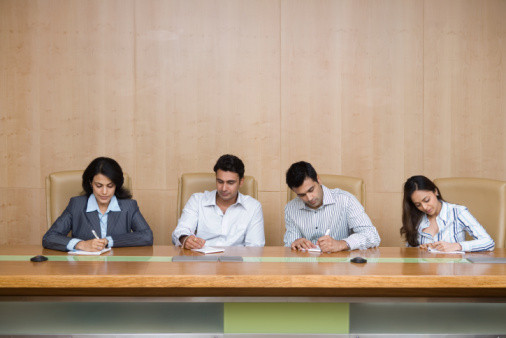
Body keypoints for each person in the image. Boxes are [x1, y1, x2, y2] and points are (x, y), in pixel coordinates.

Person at [43, 157, 153, 252]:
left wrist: (108, 241)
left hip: (118, 267)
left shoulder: (128, 206)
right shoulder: (77, 204)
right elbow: (49, 238)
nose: (104, 192)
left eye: (110, 186)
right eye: (99, 186)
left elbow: (147, 236)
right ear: (91, 183)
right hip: (84, 268)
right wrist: (81, 244)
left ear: (116, 185)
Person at [284, 161, 380, 252]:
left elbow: (372, 236)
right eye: (302, 195)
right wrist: (295, 243)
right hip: (306, 266)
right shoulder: (291, 208)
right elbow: (289, 244)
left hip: (340, 265)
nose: (309, 198)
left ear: (318, 180)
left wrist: (341, 244)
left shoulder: (346, 200)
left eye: (311, 190)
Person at [172, 154, 265, 248]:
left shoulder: (253, 207)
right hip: (201, 259)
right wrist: (185, 239)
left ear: (241, 182)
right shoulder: (197, 200)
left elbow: (255, 247)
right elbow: (180, 231)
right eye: (220, 182)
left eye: (230, 183)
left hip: (237, 260)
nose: (224, 188)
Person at [401, 175, 494, 252]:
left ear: (435, 191)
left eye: (426, 200)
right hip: (425, 273)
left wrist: (457, 246)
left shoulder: (457, 212)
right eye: (418, 205)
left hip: (454, 271)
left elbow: (488, 243)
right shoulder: (415, 218)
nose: (424, 207)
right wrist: (421, 250)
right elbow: (410, 253)